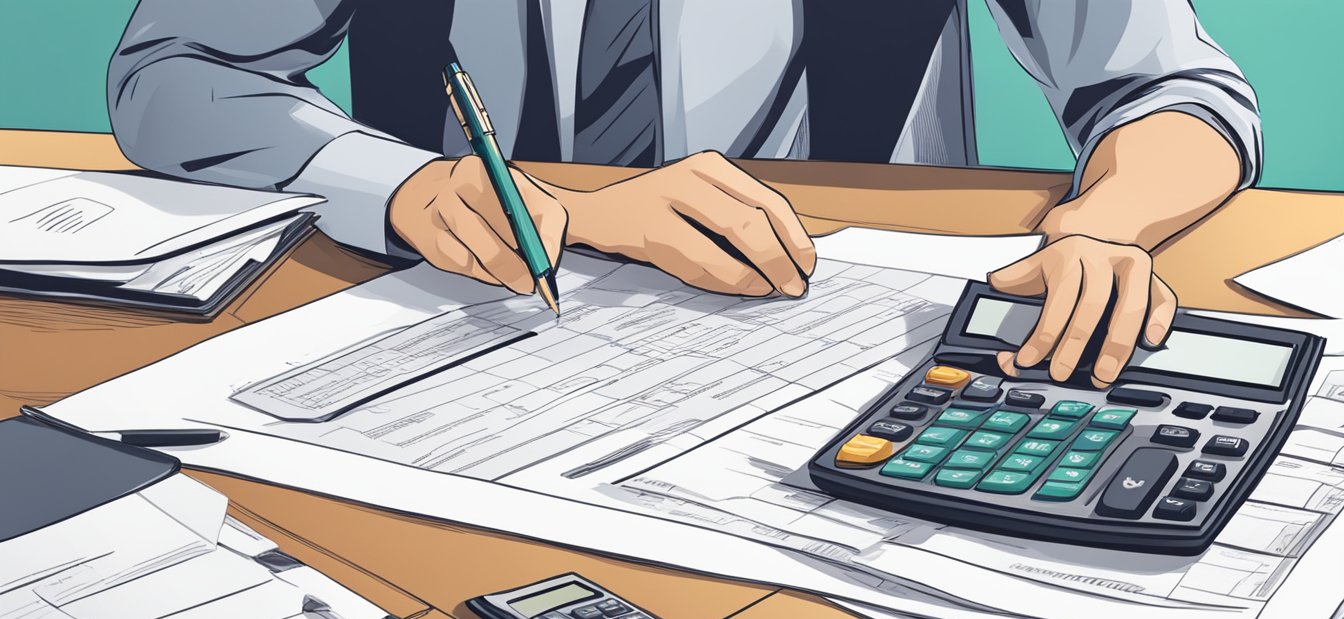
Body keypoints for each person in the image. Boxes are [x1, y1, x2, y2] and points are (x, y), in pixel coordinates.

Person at [107, 0, 1260, 386]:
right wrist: (406, 185)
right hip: (476, 330)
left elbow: (1177, 89)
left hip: (835, 343)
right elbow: (171, 71)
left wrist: (1107, 224)